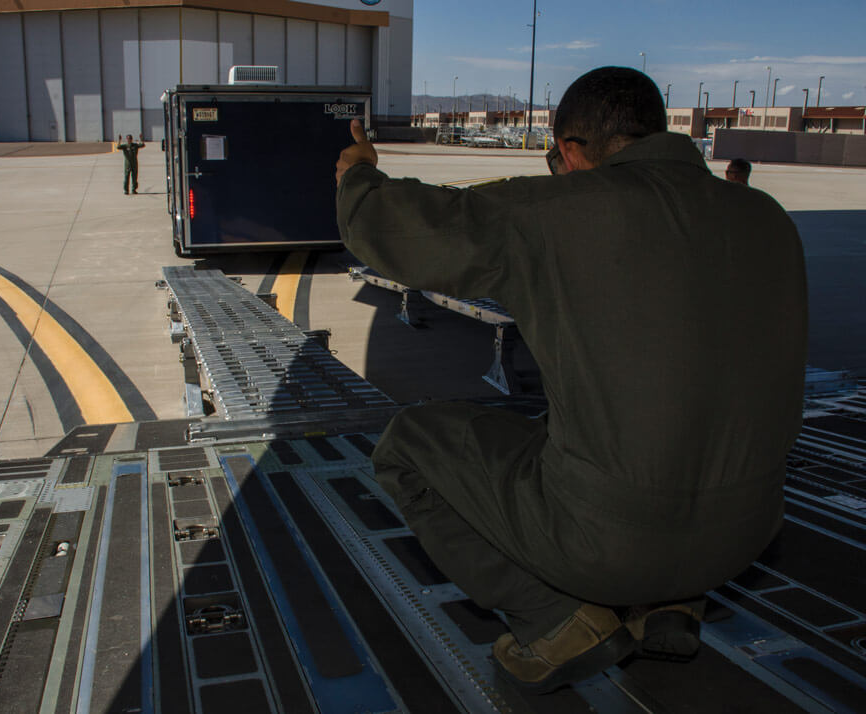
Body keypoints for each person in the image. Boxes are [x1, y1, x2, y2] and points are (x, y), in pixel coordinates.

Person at [334, 67, 807, 693]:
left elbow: (401, 233)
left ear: (575, 151)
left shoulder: (554, 213)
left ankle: (556, 619)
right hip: (745, 537)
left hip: (610, 546)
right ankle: (669, 604)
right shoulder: (767, 217)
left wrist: (358, 177)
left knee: (408, 447)